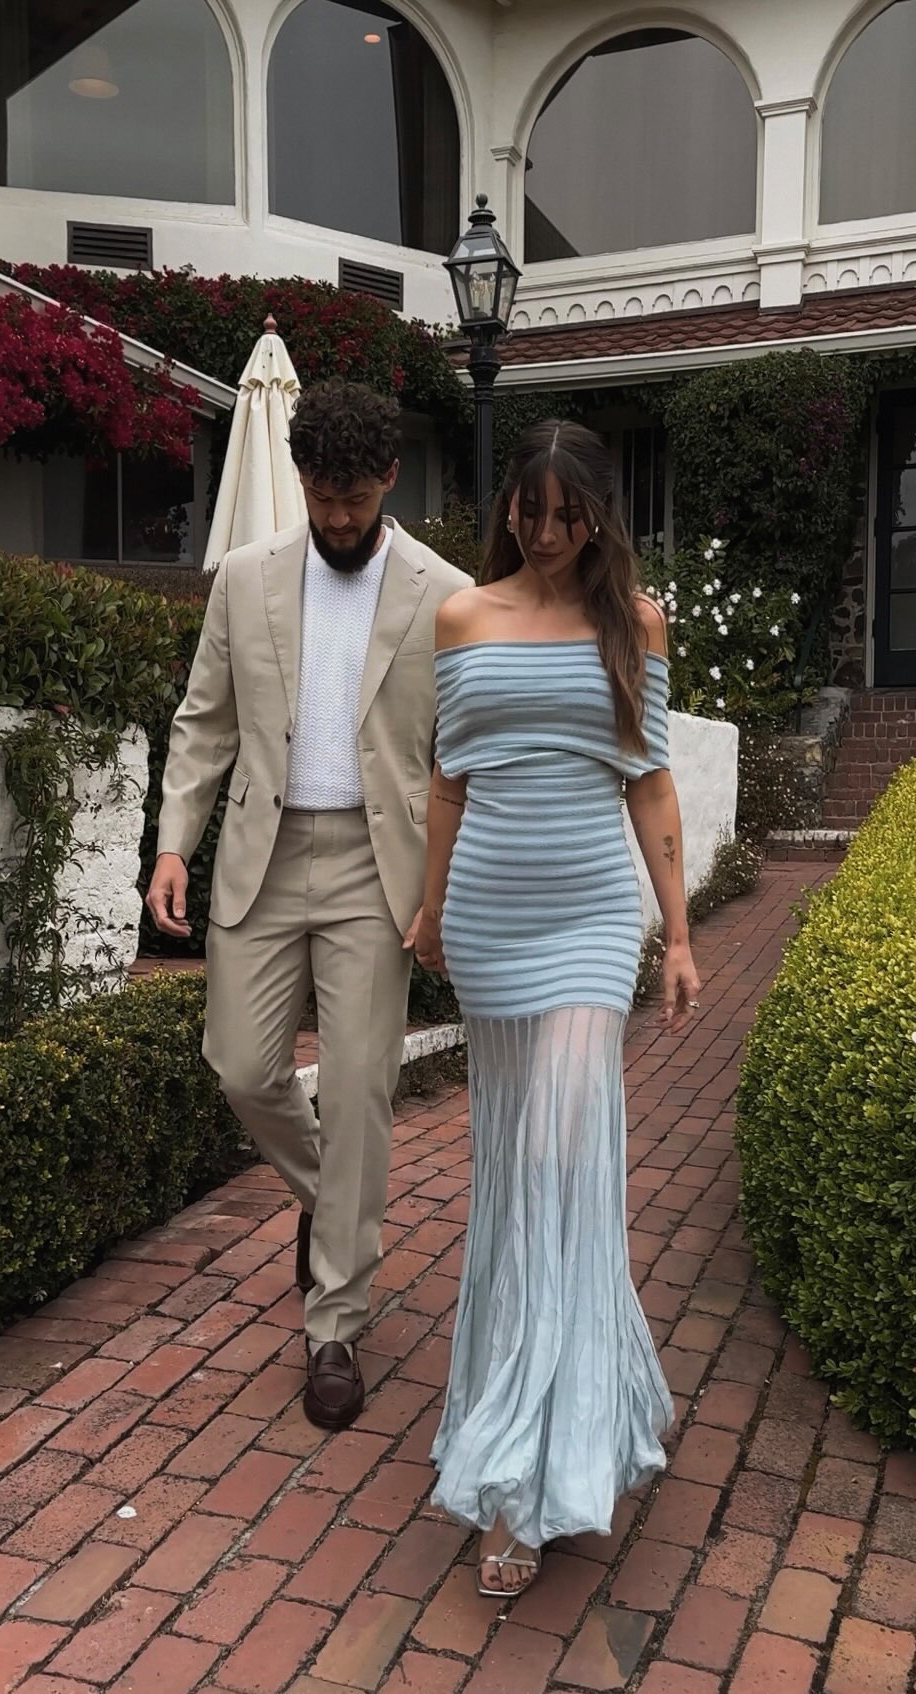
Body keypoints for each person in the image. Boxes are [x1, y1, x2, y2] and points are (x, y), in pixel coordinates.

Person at [146, 379, 473, 1431]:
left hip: (378, 867)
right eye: (322, 497)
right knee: (241, 1065)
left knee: (362, 1086)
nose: (338, 517)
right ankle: (333, 1203)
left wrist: (450, 886)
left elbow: (460, 756)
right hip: (264, 852)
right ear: (300, 478)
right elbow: (204, 721)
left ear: (389, 479)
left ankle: (334, 1323)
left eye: (355, 498)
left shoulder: (445, 592)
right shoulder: (245, 578)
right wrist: (172, 844)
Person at [411, 420, 701, 1596]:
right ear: (508, 512)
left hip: (589, 921)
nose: (544, 532)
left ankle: (530, 1479)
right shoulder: (461, 617)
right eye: (527, 512)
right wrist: (430, 906)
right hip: (489, 918)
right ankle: (580, 1408)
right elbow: (447, 777)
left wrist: (678, 933)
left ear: (597, 512)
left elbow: (652, 781)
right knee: (514, 1172)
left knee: (557, 1165)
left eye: (564, 512)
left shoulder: (635, 622)